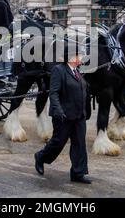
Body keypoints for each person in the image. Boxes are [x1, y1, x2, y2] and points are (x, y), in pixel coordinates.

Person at [34, 48, 92, 184]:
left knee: (79, 143)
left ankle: (78, 173)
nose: (81, 57)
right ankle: (40, 157)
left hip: (79, 115)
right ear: (72, 57)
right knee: (58, 142)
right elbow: (53, 92)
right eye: (79, 55)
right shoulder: (59, 70)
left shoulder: (77, 72)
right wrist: (58, 110)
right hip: (63, 115)